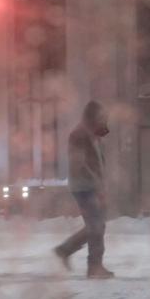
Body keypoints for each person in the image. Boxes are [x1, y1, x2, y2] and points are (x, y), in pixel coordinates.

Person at [54, 101, 114, 279]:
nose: (103, 119)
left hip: (91, 186)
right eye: (101, 116)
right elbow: (79, 164)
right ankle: (93, 267)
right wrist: (97, 186)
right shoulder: (79, 135)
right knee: (96, 226)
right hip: (84, 187)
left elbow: (98, 163)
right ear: (92, 116)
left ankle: (66, 250)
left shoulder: (92, 134)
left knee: (96, 226)